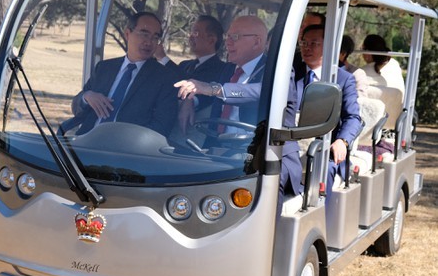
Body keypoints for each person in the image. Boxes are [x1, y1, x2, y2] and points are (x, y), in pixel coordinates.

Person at [174, 15, 302, 213]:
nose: (228, 42)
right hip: (220, 151)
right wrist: (189, 101)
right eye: (227, 36)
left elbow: (259, 92)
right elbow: (206, 95)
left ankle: (265, 243)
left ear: (257, 41)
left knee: (265, 196)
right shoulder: (227, 69)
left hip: (266, 156)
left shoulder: (279, 71)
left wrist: (213, 89)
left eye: (235, 36)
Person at [64, 12, 179, 137]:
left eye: (155, 37)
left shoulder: (164, 78)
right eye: (144, 34)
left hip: (126, 150)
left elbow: (161, 127)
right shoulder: (104, 68)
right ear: (128, 34)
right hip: (86, 141)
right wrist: (86, 97)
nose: (149, 42)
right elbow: (77, 108)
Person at [297, 24, 362, 204]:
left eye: (314, 43)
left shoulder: (343, 79)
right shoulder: (290, 73)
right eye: (304, 42)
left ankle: (319, 223)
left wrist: (342, 140)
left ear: (329, 48)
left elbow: (353, 117)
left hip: (323, 149)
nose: (306, 47)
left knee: (323, 170)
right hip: (289, 145)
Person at [155, 15, 232, 135]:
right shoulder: (184, 64)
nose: (190, 37)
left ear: (211, 40)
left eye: (195, 33)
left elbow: (201, 88)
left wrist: (163, 58)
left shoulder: (222, 69)